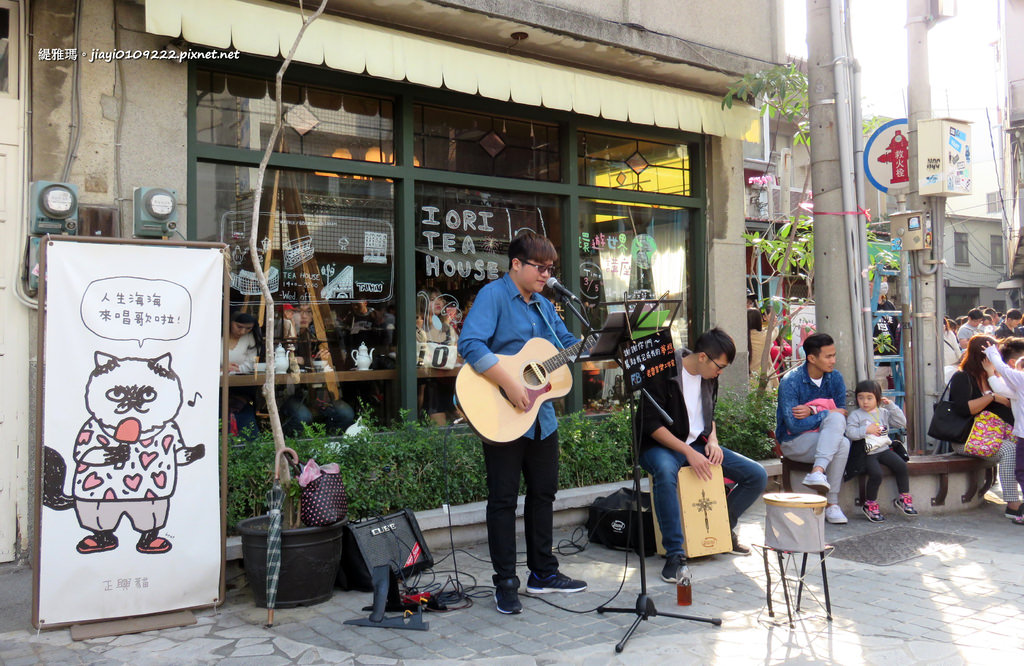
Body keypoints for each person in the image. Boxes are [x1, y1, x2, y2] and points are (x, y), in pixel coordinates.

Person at [457, 231, 587, 615]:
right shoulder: (493, 297)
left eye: (551, 269)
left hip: (541, 418)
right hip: (501, 414)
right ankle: (505, 583)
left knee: (543, 493)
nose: (547, 275)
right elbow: (471, 344)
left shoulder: (545, 308)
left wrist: (593, 343)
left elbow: (567, 347)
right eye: (540, 268)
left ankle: (543, 573)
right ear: (516, 264)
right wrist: (512, 383)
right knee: (502, 500)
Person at [639, 328, 768, 583]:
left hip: (697, 443)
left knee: (757, 475)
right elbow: (651, 425)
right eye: (719, 366)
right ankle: (675, 555)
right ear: (702, 357)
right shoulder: (663, 370)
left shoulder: (709, 377)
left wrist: (714, 441)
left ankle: (723, 529)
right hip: (660, 446)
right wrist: (688, 451)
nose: (720, 372)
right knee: (666, 473)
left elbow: (709, 414)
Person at [775, 332, 851, 524]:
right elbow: (794, 425)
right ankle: (831, 502)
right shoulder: (790, 381)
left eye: (834, 355)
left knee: (842, 442)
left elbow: (842, 412)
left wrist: (813, 410)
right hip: (794, 441)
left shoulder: (835, 378)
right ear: (811, 358)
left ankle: (820, 478)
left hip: (824, 439)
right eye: (828, 356)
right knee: (836, 430)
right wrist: (825, 412)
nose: (833, 360)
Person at [948, 335, 1021, 519]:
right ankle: (1013, 504)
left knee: (1017, 446)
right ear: (982, 356)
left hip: (995, 436)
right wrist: (991, 397)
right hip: (968, 438)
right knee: (1010, 450)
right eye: (993, 353)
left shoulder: (995, 378)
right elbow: (964, 409)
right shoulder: (962, 378)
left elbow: (1012, 404)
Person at [845, 380, 914, 522]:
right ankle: (870, 504)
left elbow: (901, 422)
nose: (865, 402)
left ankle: (904, 497)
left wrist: (891, 406)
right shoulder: (855, 415)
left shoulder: (883, 412)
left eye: (869, 398)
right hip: (868, 452)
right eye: (861, 397)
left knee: (901, 466)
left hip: (884, 448)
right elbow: (850, 433)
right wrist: (865, 430)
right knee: (876, 474)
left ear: (877, 397)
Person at [981, 337, 1024, 523]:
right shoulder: (1019, 387)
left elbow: (1004, 371)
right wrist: (990, 372)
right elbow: (1001, 388)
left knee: (1022, 472)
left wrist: (991, 352)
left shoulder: (1021, 379)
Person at [226, 311, 259, 438]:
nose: (243, 332)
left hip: (240, 387)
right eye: (239, 327)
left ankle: (247, 447)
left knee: (245, 416)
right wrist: (222, 369)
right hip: (214, 387)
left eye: (248, 328)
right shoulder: (217, 336)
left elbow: (251, 364)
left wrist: (229, 369)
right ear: (229, 323)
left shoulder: (250, 338)